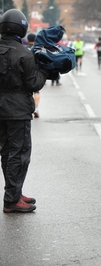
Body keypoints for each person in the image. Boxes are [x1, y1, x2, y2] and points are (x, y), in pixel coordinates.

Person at [0, 9, 49, 212]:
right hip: (18, 110)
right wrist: (45, 70)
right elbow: (33, 84)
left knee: (6, 152)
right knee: (19, 154)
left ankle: (15, 192)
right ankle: (12, 200)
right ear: (22, 28)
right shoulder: (23, 54)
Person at [26, 32, 42, 118]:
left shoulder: (23, 48)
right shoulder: (36, 49)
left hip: (24, 73)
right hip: (34, 73)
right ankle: (35, 108)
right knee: (36, 92)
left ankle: (26, 109)